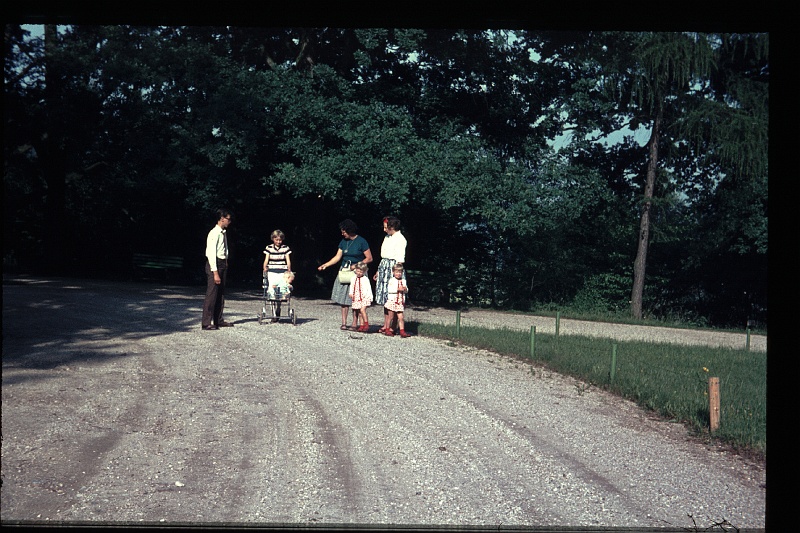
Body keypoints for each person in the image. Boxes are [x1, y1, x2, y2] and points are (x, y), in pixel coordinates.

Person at [318, 219, 373, 330]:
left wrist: (357, 265)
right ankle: (344, 322)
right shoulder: (343, 242)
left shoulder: (361, 241)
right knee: (344, 299)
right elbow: (337, 257)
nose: (342, 233)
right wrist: (326, 265)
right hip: (345, 272)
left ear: (349, 230)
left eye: (344, 231)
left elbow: (369, 258)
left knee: (356, 299)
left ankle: (354, 323)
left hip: (358, 273)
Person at [373, 216, 407, 333]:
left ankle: (393, 326)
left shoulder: (400, 239)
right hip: (384, 266)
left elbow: (400, 260)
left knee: (393, 297)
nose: (384, 229)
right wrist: (379, 271)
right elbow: (384, 255)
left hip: (393, 268)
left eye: (386, 227)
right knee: (385, 297)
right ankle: (386, 324)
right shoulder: (387, 237)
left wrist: (396, 274)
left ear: (392, 227)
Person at [202, 208, 233, 330]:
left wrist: (226, 262)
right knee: (212, 293)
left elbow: (223, 250)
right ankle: (206, 322)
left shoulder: (223, 232)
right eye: (228, 219)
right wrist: (215, 272)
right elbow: (211, 253)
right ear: (222, 219)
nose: (229, 222)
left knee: (220, 293)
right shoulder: (214, 233)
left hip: (222, 263)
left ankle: (218, 319)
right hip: (214, 264)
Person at [262, 229, 292, 323]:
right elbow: (266, 259)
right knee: (271, 290)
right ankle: (273, 313)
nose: (278, 242)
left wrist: (289, 269)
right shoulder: (269, 248)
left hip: (282, 271)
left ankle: (278, 308)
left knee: (281, 289)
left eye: (280, 240)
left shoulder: (285, 248)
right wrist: (264, 267)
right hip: (272, 270)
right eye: (276, 239)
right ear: (273, 239)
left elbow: (288, 259)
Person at [384, 263, 410, 337]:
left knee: (401, 317)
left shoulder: (403, 280)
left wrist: (405, 289)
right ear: (393, 272)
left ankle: (402, 331)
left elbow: (406, 290)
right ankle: (387, 329)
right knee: (391, 316)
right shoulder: (392, 280)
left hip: (400, 301)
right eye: (396, 272)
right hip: (392, 300)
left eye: (400, 272)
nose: (398, 274)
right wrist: (397, 289)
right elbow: (389, 290)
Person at [348, 262, 373, 332]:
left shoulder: (365, 279)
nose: (359, 273)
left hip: (365, 297)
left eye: (361, 271)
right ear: (355, 270)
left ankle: (366, 323)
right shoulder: (353, 278)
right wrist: (351, 293)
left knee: (362, 310)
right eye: (358, 271)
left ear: (364, 272)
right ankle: (361, 325)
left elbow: (368, 288)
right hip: (357, 297)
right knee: (359, 312)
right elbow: (352, 286)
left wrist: (370, 297)